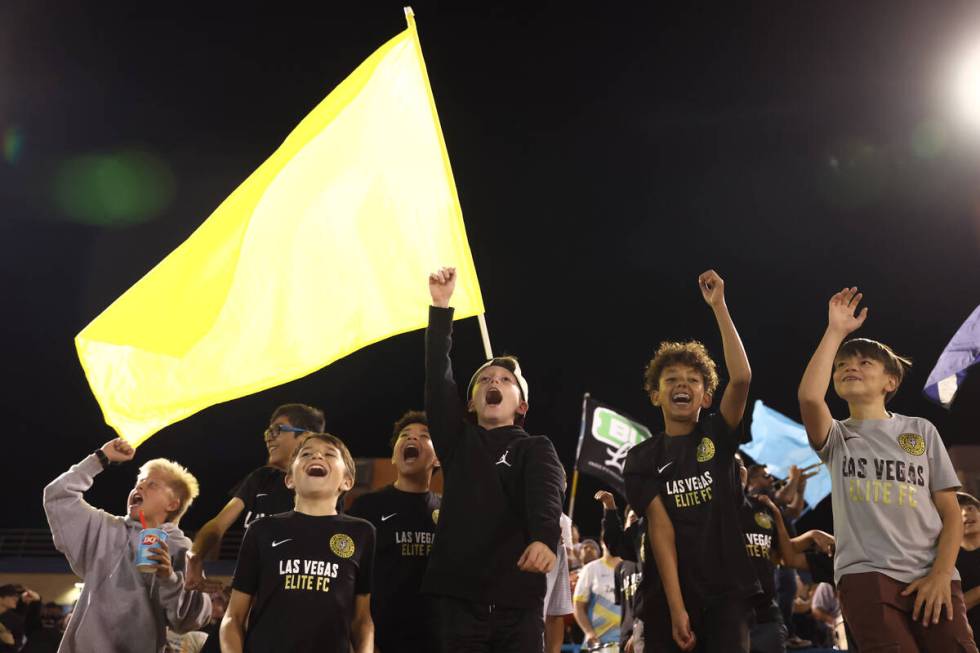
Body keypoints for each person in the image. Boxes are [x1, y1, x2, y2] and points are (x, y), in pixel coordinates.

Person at [799, 286, 976, 651]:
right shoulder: (837, 436)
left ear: (890, 382)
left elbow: (950, 512)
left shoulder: (920, 430)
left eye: (865, 363)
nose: (850, 367)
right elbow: (808, 398)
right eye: (842, 365)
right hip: (866, 576)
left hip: (933, 574)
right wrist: (835, 332)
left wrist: (943, 574)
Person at [424, 266, 564, 652]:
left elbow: (545, 499)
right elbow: (438, 382)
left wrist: (544, 540)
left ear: (522, 405)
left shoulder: (535, 447)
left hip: (516, 601)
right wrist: (440, 309)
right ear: (470, 402)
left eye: (505, 380)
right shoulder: (456, 441)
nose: (493, 382)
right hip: (456, 600)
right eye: (484, 380)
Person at [624, 269, 759, 653]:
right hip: (668, 597)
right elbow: (661, 533)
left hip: (728, 595)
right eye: (671, 379)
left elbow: (743, 377)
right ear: (655, 395)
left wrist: (719, 307)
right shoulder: (642, 458)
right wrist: (677, 607)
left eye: (693, 380)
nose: (682, 384)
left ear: (706, 397)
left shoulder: (717, 436)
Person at [43, 438, 211, 652]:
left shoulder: (183, 549)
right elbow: (58, 496)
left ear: (172, 504)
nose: (139, 486)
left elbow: (190, 620)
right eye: (139, 482)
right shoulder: (105, 528)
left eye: (152, 484)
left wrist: (169, 579)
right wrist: (100, 458)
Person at [221, 433, 375, 653]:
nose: (317, 456)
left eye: (329, 454)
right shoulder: (261, 530)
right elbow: (233, 617)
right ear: (290, 479)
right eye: (306, 454)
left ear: (347, 481)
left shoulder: (362, 533)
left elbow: (362, 621)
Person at [186, 404, 325, 589]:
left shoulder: (325, 485)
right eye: (268, 432)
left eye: (278, 430)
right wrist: (195, 557)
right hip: (250, 594)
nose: (269, 438)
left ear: (306, 436)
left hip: (297, 593)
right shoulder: (261, 478)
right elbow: (218, 524)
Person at [347, 410, 441, 652]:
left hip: (435, 640)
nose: (412, 439)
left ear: (438, 458)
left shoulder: (450, 512)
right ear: (393, 456)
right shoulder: (365, 507)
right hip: (379, 640)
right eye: (405, 435)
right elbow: (348, 578)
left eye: (424, 435)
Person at [573, 524, 622, 651]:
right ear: (602, 542)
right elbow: (578, 606)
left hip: (625, 643)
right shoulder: (591, 569)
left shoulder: (630, 568)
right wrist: (589, 632)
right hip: (598, 643)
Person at [957, 492, 980, 639]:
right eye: (959, 511)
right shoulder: (946, 562)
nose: (965, 513)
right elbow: (952, 608)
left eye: (970, 508)